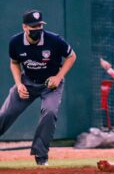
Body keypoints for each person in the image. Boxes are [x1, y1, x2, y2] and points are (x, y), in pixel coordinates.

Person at [0, 10, 76, 165]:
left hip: (51, 84)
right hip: (27, 82)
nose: (37, 29)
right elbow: (14, 62)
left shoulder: (54, 40)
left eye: (40, 26)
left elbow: (71, 56)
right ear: (24, 27)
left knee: (49, 112)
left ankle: (41, 156)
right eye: (33, 27)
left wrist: (58, 77)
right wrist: (19, 84)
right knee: (5, 113)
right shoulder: (15, 42)